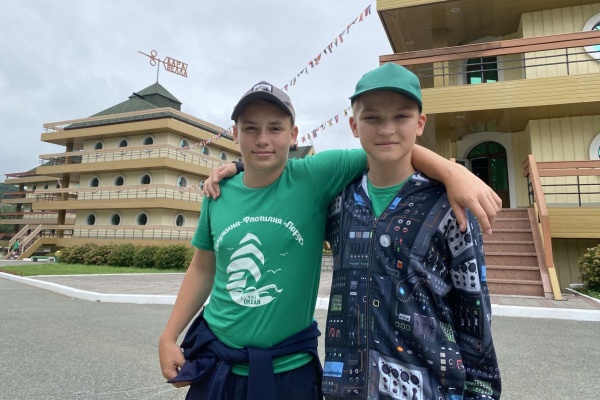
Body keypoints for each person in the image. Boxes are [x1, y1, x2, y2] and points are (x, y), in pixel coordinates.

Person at [160, 80, 501, 400]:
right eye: (250, 128)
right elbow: (203, 267)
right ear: (235, 133)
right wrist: (169, 335)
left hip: (290, 367)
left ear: (294, 135)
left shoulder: (315, 176)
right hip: (217, 362)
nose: (262, 139)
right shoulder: (217, 193)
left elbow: (388, 149)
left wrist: (453, 171)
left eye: (275, 128)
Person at [321, 63, 501, 399]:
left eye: (401, 116)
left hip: (430, 389)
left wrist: (481, 393)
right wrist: (238, 167)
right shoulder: (337, 202)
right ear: (354, 126)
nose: (387, 129)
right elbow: (283, 179)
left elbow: (474, 312)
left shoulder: (449, 204)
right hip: (344, 387)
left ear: (420, 124)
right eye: (372, 117)